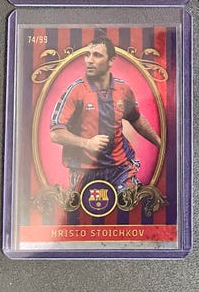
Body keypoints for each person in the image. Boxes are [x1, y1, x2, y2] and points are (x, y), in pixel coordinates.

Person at [50, 36, 161, 194]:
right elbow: (56, 134)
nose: (89, 60)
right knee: (84, 208)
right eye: (87, 55)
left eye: (97, 55)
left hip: (120, 168)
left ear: (111, 61)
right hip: (84, 170)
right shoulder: (75, 91)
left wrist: (161, 144)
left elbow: (136, 119)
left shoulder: (123, 90)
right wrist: (87, 143)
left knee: (129, 203)